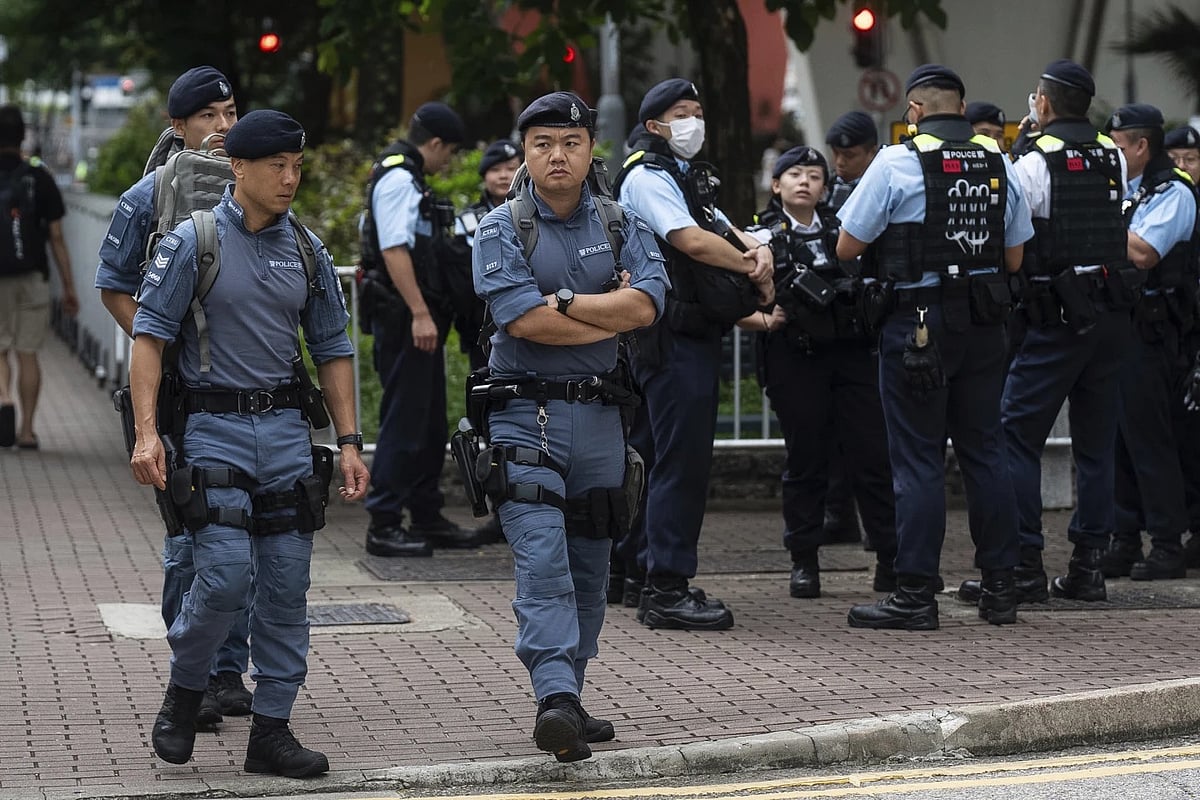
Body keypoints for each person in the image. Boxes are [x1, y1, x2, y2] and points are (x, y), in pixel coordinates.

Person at [129, 110, 369, 777]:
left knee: (287, 588)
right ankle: (185, 690)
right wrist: (148, 434)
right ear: (238, 168)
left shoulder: (306, 248)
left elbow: (332, 347)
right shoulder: (193, 242)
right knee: (226, 574)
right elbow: (147, 339)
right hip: (213, 433)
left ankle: (272, 731)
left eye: (297, 167)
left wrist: (349, 442)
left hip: (288, 438)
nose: (290, 179)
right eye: (276, 167)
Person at [470, 91, 669, 761]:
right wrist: (606, 308)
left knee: (589, 568)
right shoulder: (502, 227)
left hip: (603, 421)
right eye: (543, 144)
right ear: (525, 153)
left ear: (589, 151)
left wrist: (568, 300)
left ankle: (570, 701)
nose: (558, 155)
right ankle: (554, 695)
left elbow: (648, 306)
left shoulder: (621, 221)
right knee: (545, 562)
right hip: (528, 418)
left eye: (571, 143)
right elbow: (523, 321)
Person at [838, 64, 1034, 631]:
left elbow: (849, 244)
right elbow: (1016, 256)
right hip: (984, 324)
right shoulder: (997, 159)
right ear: (962, 107)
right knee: (985, 452)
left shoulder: (898, 161)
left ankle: (916, 594)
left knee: (917, 460)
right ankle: (1002, 588)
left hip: (916, 326)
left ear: (916, 111)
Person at [94, 65, 251, 726]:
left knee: (247, 531)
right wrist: (161, 346)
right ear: (178, 125)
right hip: (183, 397)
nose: (222, 128)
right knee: (192, 534)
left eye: (230, 113)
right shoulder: (146, 199)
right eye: (208, 117)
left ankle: (228, 672)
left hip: (246, 393)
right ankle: (195, 672)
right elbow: (114, 287)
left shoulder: (256, 191)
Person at [612, 78, 774, 631]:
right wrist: (751, 264)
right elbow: (690, 241)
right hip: (672, 338)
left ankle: (637, 571)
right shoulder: (648, 176)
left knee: (656, 458)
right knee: (680, 464)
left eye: (699, 111)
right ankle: (667, 587)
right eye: (683, 112)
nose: (694, 122)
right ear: (654, 124)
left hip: (681, 335)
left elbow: (726, 229)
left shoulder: (683, 177)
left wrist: (761, 251)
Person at [989, 59, 1130, 604]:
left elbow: (1015, 239)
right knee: (1096, 445)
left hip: (1056, 317)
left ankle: (1025, 561)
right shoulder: (1111, 152)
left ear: (1042, 104)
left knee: (1014, 434)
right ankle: (1088, 566)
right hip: (1111, 313)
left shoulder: (1032, 163)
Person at [741, 146, 897, 599]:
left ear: (826, 187)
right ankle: (804, 561)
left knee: (871, 458)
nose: (805, 181)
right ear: (776, 185)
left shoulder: (846, 230)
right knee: (806, 461)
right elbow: (745, 290)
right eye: (794, 174)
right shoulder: (760, 235)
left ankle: (890, 558)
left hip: (851, 354)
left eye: (814, 174)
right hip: (797, 356)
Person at [358, 101, 477, 557]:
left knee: (427, 423)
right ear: (435, 144)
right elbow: (393, 250)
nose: (449, 162)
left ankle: (426, 515)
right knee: (405, 422)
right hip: (406, 319)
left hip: (415, 319)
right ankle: (384, 522)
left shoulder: (405, 176)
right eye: (449, 152)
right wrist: (420, 312)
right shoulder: (398, 179)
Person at [1102, 104, 1198, 581]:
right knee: (1116, 438)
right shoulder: (1126, 191)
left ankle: (1166, 542)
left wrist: (1094, 220)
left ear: (1142, 146)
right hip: (1117, 326)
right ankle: (1124, 537)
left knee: (1150, 439)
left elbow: (1143, 253)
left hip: (1154, 331)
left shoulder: (1174, 192)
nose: (1112, 157)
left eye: (1119, 148)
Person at [0, 104, 79, 450]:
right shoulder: (40, 177)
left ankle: (3, 399)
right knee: (27, 352)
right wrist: (69, 287)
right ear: (23, 138)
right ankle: (28, 431)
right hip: (33, 276)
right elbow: (57, 237)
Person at [451, 139, 523, 372]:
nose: (503, 176)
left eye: (511, 168)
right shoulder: (467, 221)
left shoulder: (535, 214)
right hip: (481, 323)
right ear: (484, 176)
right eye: (495, 169)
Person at [824, 110, 879, 213]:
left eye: (849, 155)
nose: (840, 162)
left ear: (872, 152)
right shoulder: (825, 189)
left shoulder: (884, 188)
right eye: (835, 152)